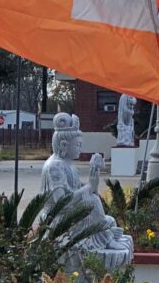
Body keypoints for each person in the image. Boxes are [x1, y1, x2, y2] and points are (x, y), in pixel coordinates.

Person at [41, 113, 133, 272]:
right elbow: (61, 202)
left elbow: (80, 190)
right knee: (93, 202)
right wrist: (88, 188)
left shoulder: (67, 164)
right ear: (63, 145)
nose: (80, 149)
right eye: (77, 145)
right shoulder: (54, 167)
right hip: (58, 219)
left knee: (109, 219)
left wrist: (93, 177)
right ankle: (107, 238)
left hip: (73, 214)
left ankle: (107, 235)